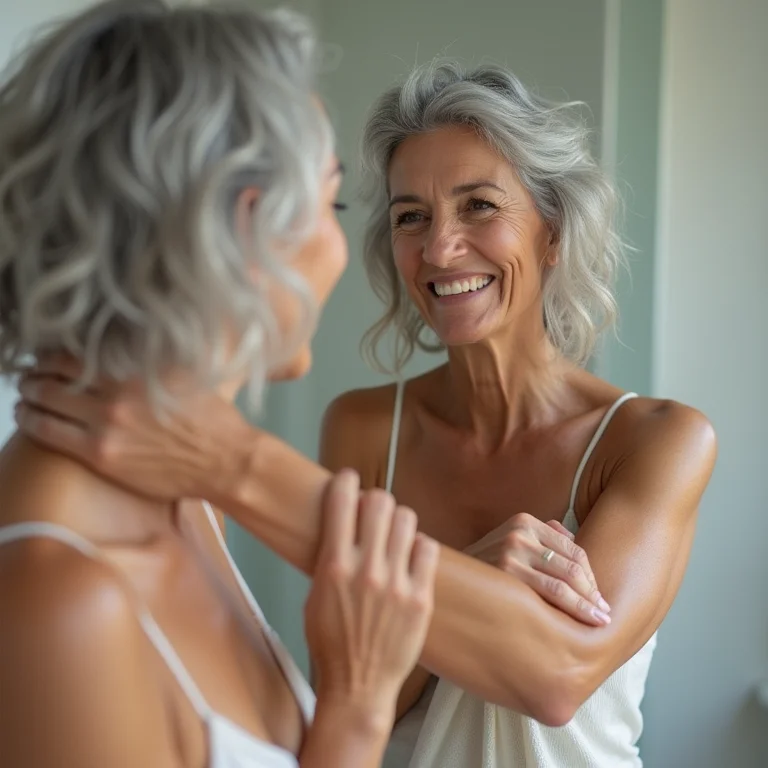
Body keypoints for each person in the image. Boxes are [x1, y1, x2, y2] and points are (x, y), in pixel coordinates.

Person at [14, 40, 717, 768]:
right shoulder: (357, 429)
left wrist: (236, 466)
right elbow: (354, 696)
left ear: (554, 234)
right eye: (409, 216)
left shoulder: (658, 438)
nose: (441, 249)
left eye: (478, 206)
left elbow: (560, 673)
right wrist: (461, 577)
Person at [0, 3, 441, 767]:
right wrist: (358, 709)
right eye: (332, 202)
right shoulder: (58, 605)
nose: (346, 249)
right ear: (244, 233)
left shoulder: (191, 501)